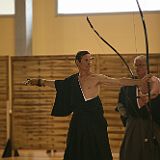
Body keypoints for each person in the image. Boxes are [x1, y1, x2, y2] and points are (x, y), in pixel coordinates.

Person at [25, 51, 150, 160]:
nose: (89, 63)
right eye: (86, 60)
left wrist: (138, 81)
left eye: (90, 60)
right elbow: (57, 84)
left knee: (98, 148)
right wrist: (38, 82)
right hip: (79, 121)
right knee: (76, 149)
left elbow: (119, 81)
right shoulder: (72, 81)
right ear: (78, 62)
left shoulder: (96, 78)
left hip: (95, 120)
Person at [116, 55, 160, 160]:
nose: (138, 68)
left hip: (152, 125)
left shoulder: (156, 83)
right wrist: (128, 118)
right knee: (131, 154)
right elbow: (120, 104)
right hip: (133, 125)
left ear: (147, 66)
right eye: (136, 65)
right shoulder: (128, 85)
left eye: (141, 65)